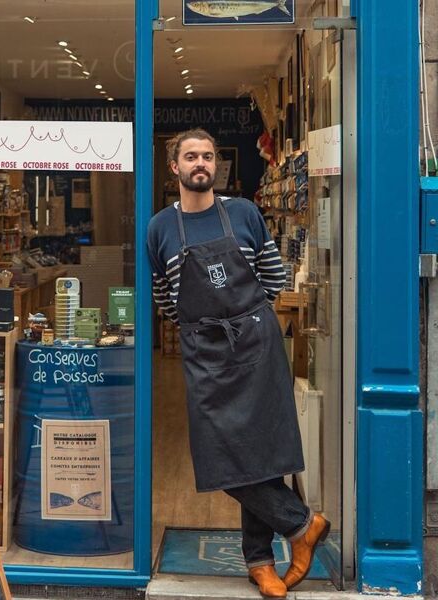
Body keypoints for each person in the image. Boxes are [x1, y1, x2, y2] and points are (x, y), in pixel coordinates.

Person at [147, 128, 330, 600]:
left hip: (255, 346)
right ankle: (302, 524)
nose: (201, 163)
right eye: (191, 156)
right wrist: (209, 326)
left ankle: (260, 562)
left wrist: (244, 321)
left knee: (264, 453)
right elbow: (165, 299)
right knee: (219, 453)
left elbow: (273, 278)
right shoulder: (160, 228)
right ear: (175, 166)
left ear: (216, 164)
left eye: (208, 156)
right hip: (205, 354)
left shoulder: (245, 213)